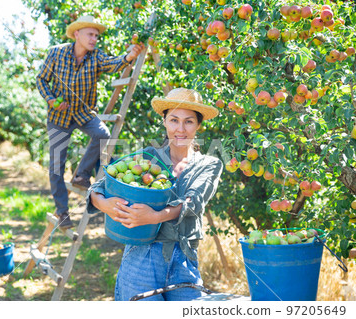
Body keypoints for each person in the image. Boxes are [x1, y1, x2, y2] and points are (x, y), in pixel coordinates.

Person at [87, 88, 223, 301]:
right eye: (174, 120)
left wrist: (156, 216)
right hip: (142, 256)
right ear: (164, 121)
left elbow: (193, 201)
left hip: (184, 259)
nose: (180, 129)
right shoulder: (149, 157)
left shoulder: (209, 164)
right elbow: (100, 186)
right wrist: (104, 204)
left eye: (188, 121)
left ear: (198, 125)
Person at [36, 15, 145, 228]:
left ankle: (82, 174)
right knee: (56, 165)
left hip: (84, 112)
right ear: (77, 34)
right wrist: (50, 100)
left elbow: (114, 63)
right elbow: (41, 79)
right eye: (90, 34)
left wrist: (130, 56)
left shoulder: (96, 57)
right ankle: (62, 212)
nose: (94, 39)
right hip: (59, 116)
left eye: (96, 35)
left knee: (103, 134)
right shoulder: (56, 53)